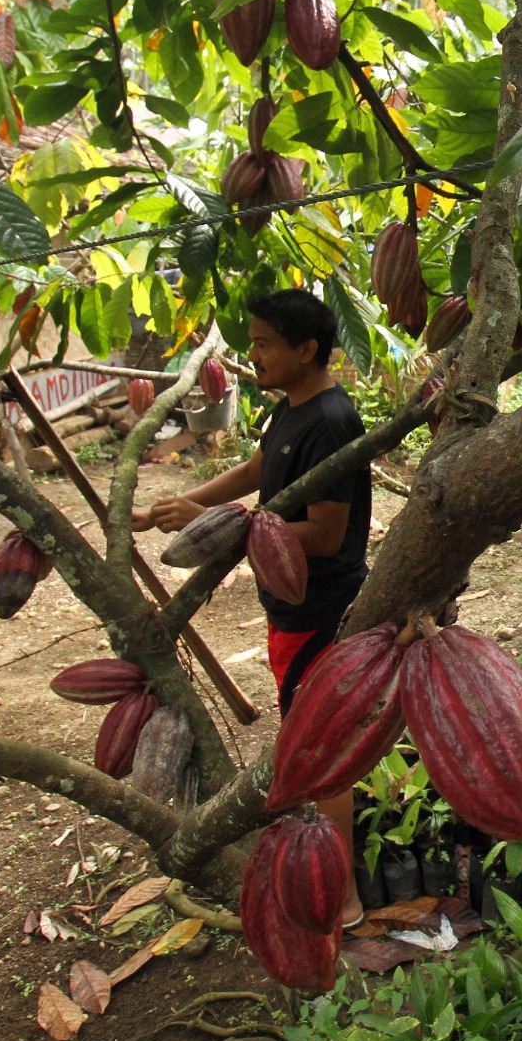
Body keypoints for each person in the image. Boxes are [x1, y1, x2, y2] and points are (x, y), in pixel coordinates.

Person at [133, 288, 371, 927]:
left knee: (321, 750)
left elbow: (324, 533)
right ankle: (329, 868)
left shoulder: (333, 420)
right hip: (288, 603)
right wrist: (173, 508)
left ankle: (342, 895)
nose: (253, 354)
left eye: (265, 343)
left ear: (306, 349)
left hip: (324, 605)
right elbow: (256, 469)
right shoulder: (289, 409)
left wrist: (224, 525)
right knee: (312, 738)